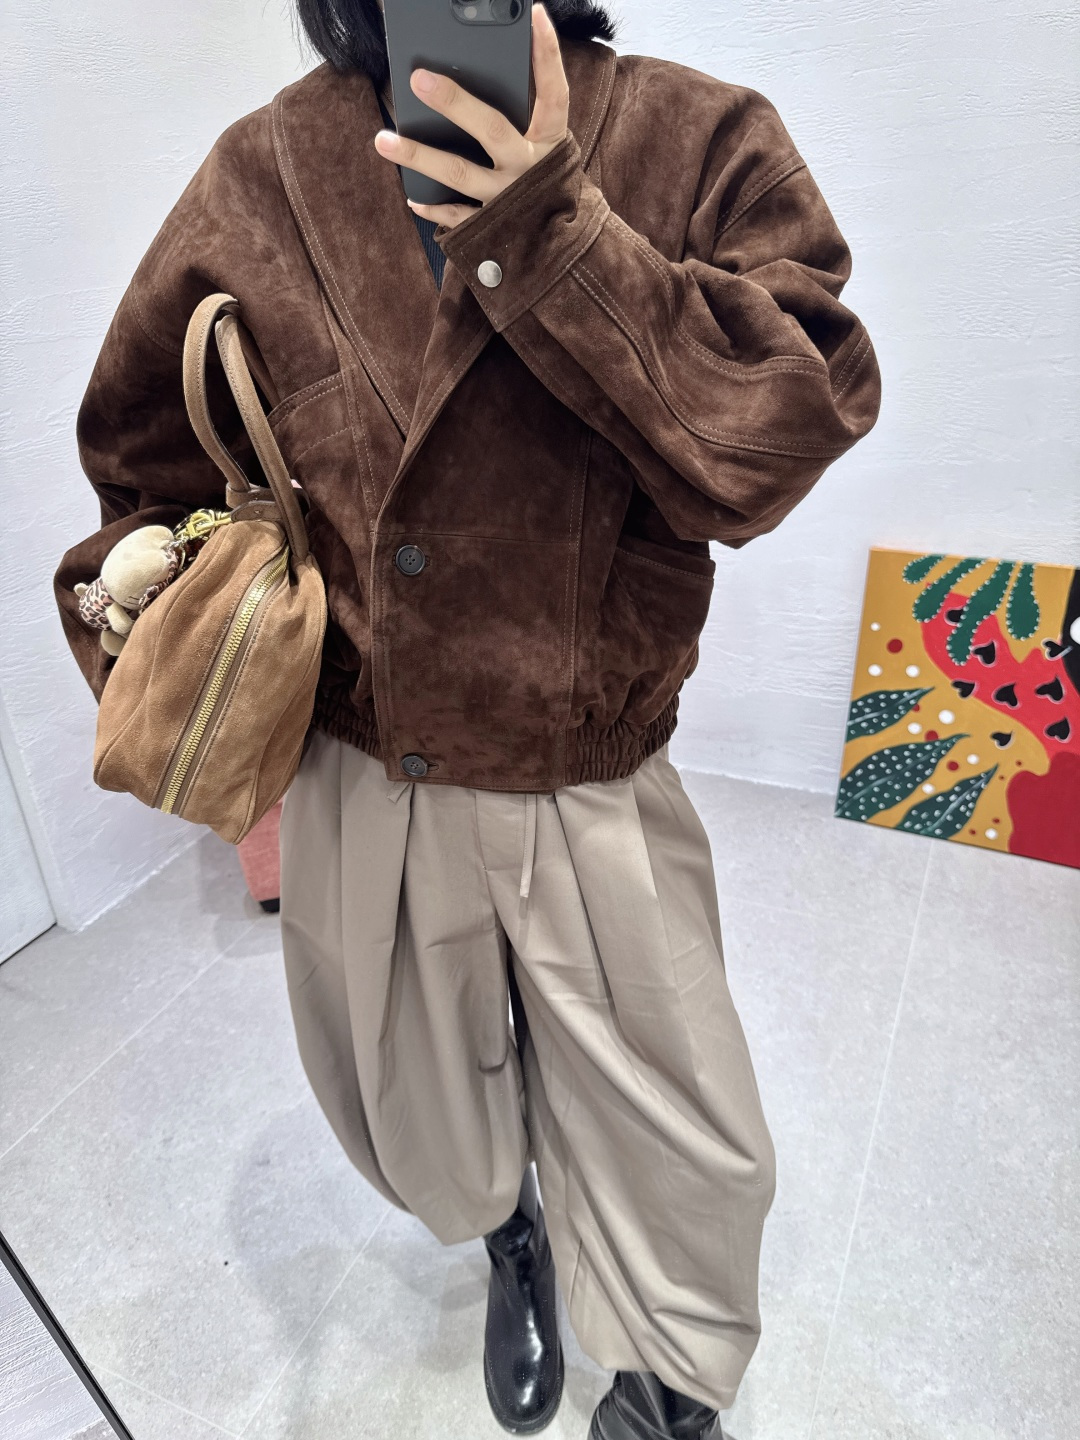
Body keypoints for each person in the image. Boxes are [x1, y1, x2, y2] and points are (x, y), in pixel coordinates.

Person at [55, 1, 881, 1435]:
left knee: (683, 1139)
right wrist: (165, 588)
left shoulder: (697, 137)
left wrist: (555, 230)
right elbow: (142, 448)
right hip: (368, 755)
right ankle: (513, 1234)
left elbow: (785, 425)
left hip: (589, 762)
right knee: (412, 1099)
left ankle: (668, 1390)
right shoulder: (265, 170)